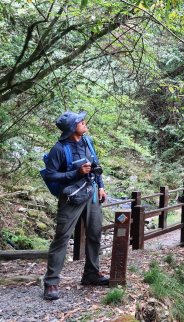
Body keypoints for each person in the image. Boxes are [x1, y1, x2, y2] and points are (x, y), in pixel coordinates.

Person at [42, 111, 109, 301]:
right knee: (62, 238)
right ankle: (51, 282)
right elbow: (50, 175)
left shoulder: (87, 141)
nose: (84, 122)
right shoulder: (59, 149)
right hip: (70, 198)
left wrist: (101, 186)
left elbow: (95, 163)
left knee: (95, 234)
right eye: (80, 121)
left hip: (91, 194)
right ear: (72, 128)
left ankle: (91, 274)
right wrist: (76, 173)